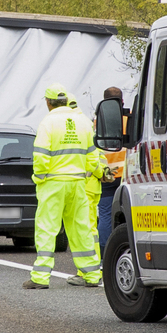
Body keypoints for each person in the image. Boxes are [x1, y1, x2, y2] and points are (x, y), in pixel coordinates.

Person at [24, 84, 101, 289]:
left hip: (53, 183)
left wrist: (39, 177)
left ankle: (40, 277)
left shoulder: (48, 122)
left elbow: (40, 155)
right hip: (77, 183)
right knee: (81, 228)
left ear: (48, 103)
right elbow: (93, 157)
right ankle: (92, 274)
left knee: (47, 229)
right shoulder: (83, 122)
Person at [68, 96, 108, 285]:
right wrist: (102, 172)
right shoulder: (86, 123)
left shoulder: (72, 126)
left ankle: (88, 272)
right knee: (88, 228)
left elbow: (90, 158)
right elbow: (96, 155)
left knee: (85, 229)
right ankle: (87, 270)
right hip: (91, 185)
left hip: (83, 185)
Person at [97, 86, 126, 250]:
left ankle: (105, 251)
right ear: (122, 101)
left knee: (106, 215)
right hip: (127, 174)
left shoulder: (98, 121)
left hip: (107, 174)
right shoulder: (129, 119)